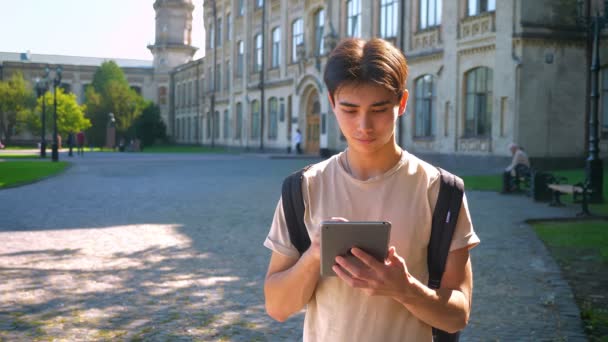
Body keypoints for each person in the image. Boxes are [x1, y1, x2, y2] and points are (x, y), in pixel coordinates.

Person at [263, 38, 480, 341]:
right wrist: (314, 255)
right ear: (331, 103)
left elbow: (458, 315)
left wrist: (405, 289)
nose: (364, 125)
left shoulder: (440, 190)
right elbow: (277, 307)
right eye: (349, 110)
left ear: (401, 103)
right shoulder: (303, 188)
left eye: (379, 109)